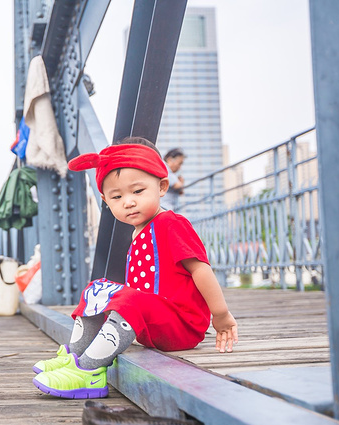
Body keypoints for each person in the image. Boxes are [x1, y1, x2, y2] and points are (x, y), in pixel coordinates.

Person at [32, 137, 238, 399]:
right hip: (152, 324)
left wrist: (220, 315)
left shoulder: (171, 224)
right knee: (97, 288)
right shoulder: (139, 232)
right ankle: (76, 355)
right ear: (106, 201)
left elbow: (201, 269)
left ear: (162, 186)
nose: (128, 202)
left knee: (129, 297)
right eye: (117, 197)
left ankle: (89, 372)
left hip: (181, 326)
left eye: (138, 191)